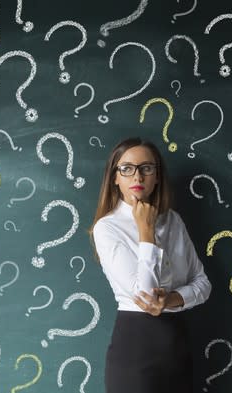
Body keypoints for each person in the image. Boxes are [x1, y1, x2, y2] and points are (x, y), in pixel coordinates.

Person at [89, 137, 212, 393]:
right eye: (127, 168)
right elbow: (144, 294)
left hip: (176, 345)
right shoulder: (107, 228)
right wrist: (146, 230)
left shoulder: (173, 221)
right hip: (135, 347)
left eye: (146, 168)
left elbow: (202, 284)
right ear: (115, 178)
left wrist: (170, 300)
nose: (138, 176)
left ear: (157, 176)